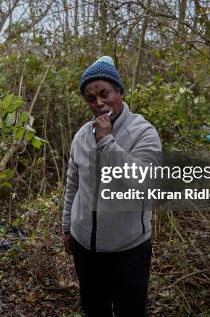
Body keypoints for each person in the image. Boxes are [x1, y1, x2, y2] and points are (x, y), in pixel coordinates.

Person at [62, 56, 162, 316]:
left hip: (128, 250)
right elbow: (73, 184)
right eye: (91, 99)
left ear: (120, 91)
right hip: (85, 248)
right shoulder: (82, 135)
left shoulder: (144, 133)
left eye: (105, 93)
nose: (99, 103)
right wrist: (67, 227)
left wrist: (106, 141)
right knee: (95, 310)